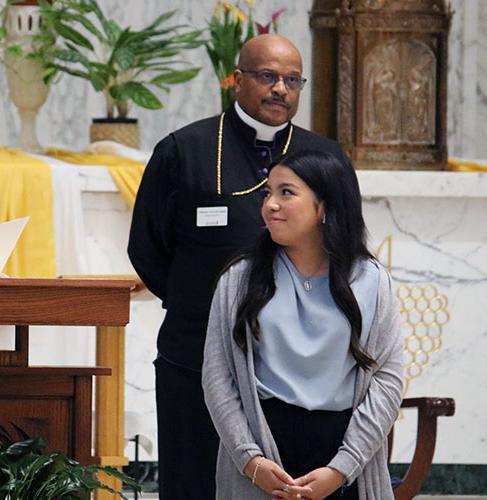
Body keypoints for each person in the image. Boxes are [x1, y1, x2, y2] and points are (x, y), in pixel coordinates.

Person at [127, 34, 345, 499]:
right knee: (194, 484)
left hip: (293, 368)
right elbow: (146, 247)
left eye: (292, 80)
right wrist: (200, 302)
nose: (280, 89)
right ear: (238, 80)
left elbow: (344, 247)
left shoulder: (325, 159)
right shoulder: (184, 150)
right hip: (195, 351)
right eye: (268, 77)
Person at [202, 150, 404, 500]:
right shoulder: (239, 279)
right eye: (268, 193)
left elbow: (388, 379)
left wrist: (342, 468)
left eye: (286, 192)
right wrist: (250, 461)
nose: (270, 205)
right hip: (263, 448)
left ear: (324, 206)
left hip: (341, 453)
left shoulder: (372, 281)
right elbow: (217, 378)